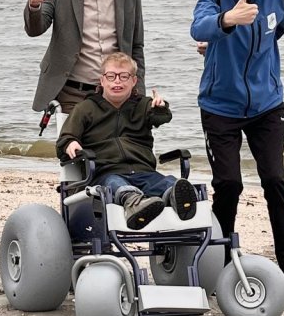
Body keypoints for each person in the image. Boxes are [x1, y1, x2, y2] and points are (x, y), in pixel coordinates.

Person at [190, 0, 284, 295]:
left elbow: (278, 32)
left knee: (275, 180)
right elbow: (198, 26)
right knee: (228, 184)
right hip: (220, 106)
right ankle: (220, 261)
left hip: (267, 105)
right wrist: (227, 21)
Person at [56, 52, 197, 227]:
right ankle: (134, 204)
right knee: (116, 184)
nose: (117, 81)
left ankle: (176, 199)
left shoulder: (143, 105)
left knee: (167, 182)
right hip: (105, 173)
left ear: (133, 81)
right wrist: (70, 142)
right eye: (111, 76)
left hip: (143, 171)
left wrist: (160, 108)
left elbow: (161, 117)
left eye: (124, 76)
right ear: (102, 80)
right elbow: (65, 139)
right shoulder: (85, 108)